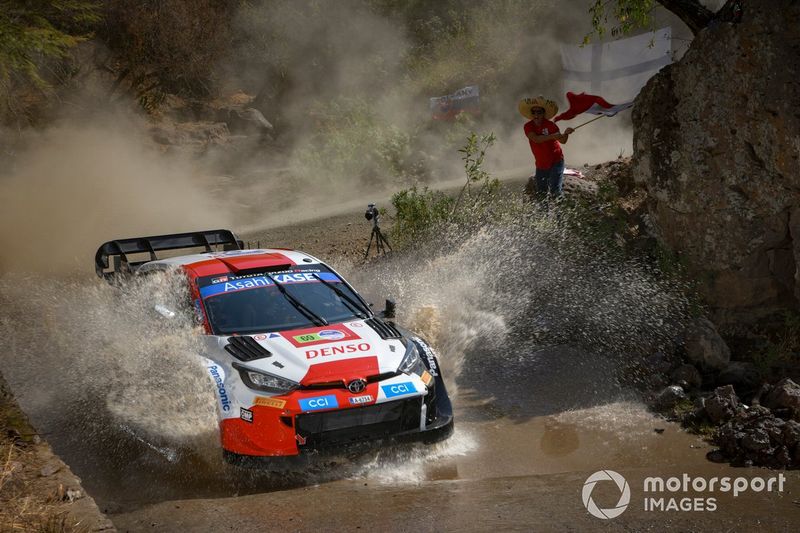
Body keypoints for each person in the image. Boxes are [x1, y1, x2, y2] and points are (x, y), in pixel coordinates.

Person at [519, 96, 574, 200]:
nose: (536, 115)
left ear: (543, 114)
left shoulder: (551, 125)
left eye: (539, 112)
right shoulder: (528, 126)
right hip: (541, 164)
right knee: (541, 195)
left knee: (555, 191)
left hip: (556, 161)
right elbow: (536, 139)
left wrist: (566, 133)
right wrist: (552, 136)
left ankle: (560, 215)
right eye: (534, 112)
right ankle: (544, 216)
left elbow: (563, 140)